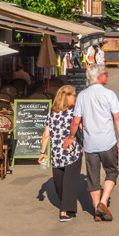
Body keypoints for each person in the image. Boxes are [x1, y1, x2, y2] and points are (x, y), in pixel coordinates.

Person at [63, 64, 119, 222]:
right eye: (105, 73)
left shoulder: (82, 96)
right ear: (99, 77)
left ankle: (97, 210)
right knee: (111, 171)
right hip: (108, 141)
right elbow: (117, 118)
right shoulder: (109, 94)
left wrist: (71, 136)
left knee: (93, 178)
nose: (107, 76)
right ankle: (103, 203)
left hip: (90, 144)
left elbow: (76, 121)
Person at [39, 86, 82, 222]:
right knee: (69, 182)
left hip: (56, 153)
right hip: (72, 152)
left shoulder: (52, 113)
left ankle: (65, 206)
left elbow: (46, 134)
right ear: (66, 96)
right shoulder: (74, 113)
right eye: (74, 95)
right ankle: (64, 211)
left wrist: (42, 152)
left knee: (59, 182)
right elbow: (82, 128)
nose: (76, 97)